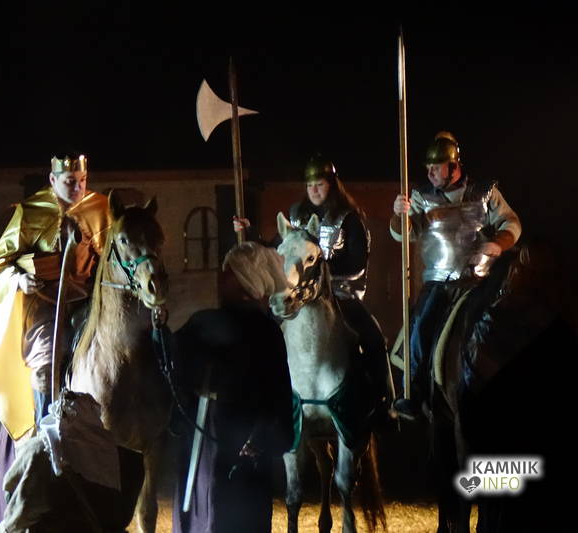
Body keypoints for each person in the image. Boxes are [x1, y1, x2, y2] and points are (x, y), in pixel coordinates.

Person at [0, 153, 112, 531]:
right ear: (52, 180)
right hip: (46, 302)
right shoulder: (31, 211)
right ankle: (43, 433)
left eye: (82, 180)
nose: (78, 187)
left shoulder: (100, 209)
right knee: (46, 356)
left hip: (90, 300)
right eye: (70, 181)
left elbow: (117, 254)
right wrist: (19, 278)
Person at [234, 155, 391, 419]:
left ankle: (382, 402)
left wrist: (322, 271)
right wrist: (251, 234)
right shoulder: (297, 216)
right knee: (262, 333)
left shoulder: (349, 218)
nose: (314, 190)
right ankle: (259, 398)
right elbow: (277, 248)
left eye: (319, 184)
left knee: (373, 337)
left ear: (332, 185)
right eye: (309, 185)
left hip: (340, 294)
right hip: (298, 295)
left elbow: (357, 261)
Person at [390, 131, 521, 421]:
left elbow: (511, 222)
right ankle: (414, 391)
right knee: (421, 326)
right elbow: (403, 235)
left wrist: (498, 243)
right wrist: (400, 214)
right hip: (440, 282)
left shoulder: (485, 193)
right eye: (428, 167)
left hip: (479, 280)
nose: (430, 172)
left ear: (454, 166)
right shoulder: (421, 198)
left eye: (436, 167)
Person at [173, 241, 294, 533]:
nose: (220, 277)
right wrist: (159, 334)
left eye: (228, 272)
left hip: (242, 446)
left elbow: (277, 395)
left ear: (244, 280)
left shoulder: (266, 332)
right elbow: (175, 366)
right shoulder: (203, 321)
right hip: (204, 439)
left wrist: (262, 436)